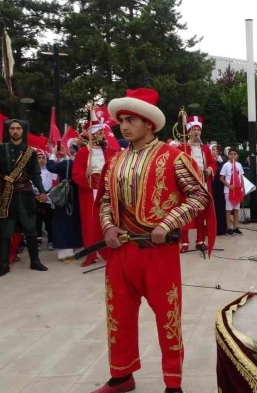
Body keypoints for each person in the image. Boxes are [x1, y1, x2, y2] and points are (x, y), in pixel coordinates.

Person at [94, 88, 214, 393]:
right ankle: (122, 375)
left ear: (148, 123)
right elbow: (107, 200)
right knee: (118, 314)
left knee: (167, 317)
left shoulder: (174, 158)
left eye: (131, 119)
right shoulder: (115, 160)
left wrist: (168, 222)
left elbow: (200, 195)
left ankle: (173, 383)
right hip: (122, 251)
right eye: (121, 120)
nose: (123, 125)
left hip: (158, 252)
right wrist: (108, 228)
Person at [0, 120, 49, 277]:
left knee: (31, 230)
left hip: (25, 194)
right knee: (5, 231)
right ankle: (4, 264)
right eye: (12, 128)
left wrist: (42, 191)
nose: (15, 131)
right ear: (8, 131)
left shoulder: (30, 152)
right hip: (7, 195)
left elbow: (35, 174)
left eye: (18, 128)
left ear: (23, 131)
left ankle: (35, 261)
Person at [73, 119, 117, 267]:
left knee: (109, 221)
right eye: (98, 133)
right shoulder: (83, 152)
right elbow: (76, 174)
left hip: (108, 191)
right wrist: (86, 175)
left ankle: (110, 251)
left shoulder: (110, 150)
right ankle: (91, 254)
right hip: (90, 193)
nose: (102, 135)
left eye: (102, 132)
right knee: (90, 224)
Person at [181, 116, 217, 252]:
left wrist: (209, 169)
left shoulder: (205, 149)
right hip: (188, 184)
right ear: (189, 131)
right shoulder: (182, 147)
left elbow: (213, 163)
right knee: (186, 212)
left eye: (198, 130)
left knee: (202, 212)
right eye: (193, 129)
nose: (196, 132)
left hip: (203, 182)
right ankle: (184, 242)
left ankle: (200, 240)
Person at [46, 144, 84, 260]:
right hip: (76, 197)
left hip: (65, 198)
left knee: (62, 222)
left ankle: (65, 251)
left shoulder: (66, 163)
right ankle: (78, 247)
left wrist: (53, 154)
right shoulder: (75, 162)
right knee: (75, 222)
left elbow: (50, 167)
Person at [220, 148, 245, 236]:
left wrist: (242, 189)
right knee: (228, 210)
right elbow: (221, 178)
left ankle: (236, 227)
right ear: (228, 155)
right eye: (231, 154)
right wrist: (229, 185)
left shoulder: (239, 165)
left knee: (236, 209)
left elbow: (241, 177)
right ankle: (229, 228)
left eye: (235, 154)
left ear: (237, 156)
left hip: (237, 190)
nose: (233, 156)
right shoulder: (226, 165)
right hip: (228, 190)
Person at [36, 149, 55, 251]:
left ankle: (51, 241)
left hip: (48, 199)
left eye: (43, 158)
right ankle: (38, 241)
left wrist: (47, 195)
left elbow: (54, 183)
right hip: (36, 199)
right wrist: (37, 195)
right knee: (37, 222)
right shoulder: (33, 172)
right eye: (39, 158)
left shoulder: (50, 171)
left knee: (49, 221)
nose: (41, 160)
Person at [210, 145, 228, 235]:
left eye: (216, 149)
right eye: (213, 149)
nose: (215, 151)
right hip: (211, 185)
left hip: (220, 186)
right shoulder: (208, 161)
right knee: (213, 207)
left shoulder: (221, 161)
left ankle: (221, 228)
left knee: (220, 206)